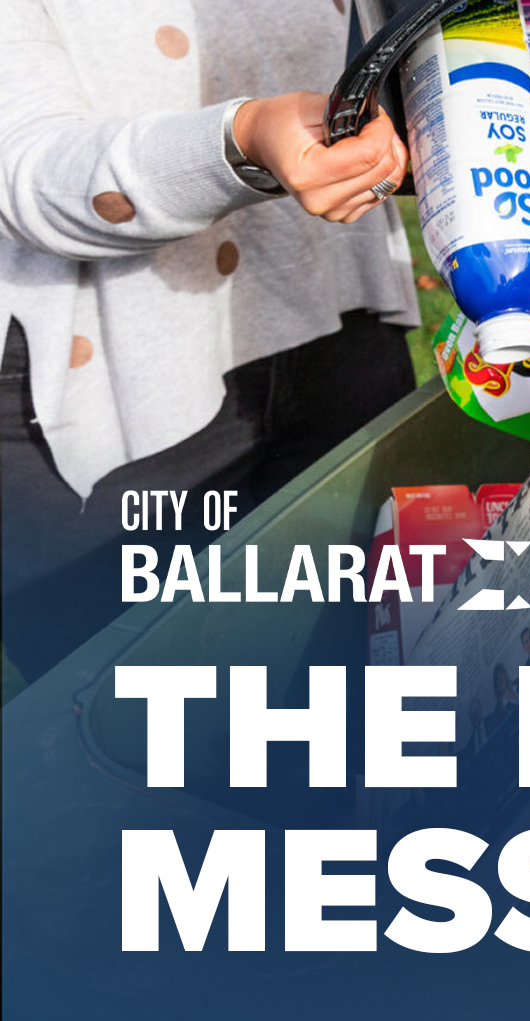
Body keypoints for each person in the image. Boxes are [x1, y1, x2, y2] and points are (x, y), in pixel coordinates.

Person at [1, 3, 418, 680]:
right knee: (143, 721)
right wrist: (243, 140)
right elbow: (25, 163)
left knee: (370, 668)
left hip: (331, 309)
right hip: (107, 381)